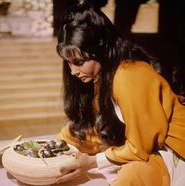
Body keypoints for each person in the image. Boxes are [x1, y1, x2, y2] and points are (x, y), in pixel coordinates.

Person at [54, 1, 185, 186]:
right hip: (152, 150)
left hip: (177, 150)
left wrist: (92, 162)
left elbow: (140, 147)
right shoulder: (104, 77)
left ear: (100, 50)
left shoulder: (129, 75)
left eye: (79, 62)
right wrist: (56, 145)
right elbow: (95, 128)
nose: (73, 71)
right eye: (68, 63)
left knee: (130, 176)